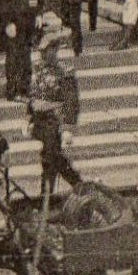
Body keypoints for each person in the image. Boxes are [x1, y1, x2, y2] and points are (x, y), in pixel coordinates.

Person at [29, 22, 82, 198]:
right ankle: (77, 186)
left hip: (55, 122)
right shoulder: (39, 71)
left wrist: (67, 129)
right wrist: (29, 120)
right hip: (41, 123)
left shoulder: (64, 73)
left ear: (55, 51)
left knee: (50, 158)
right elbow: (34, 97)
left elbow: (71, 103)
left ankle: (48, 195)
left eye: (47, 51)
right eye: (42, 51)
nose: (43, 55)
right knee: (52, 158)